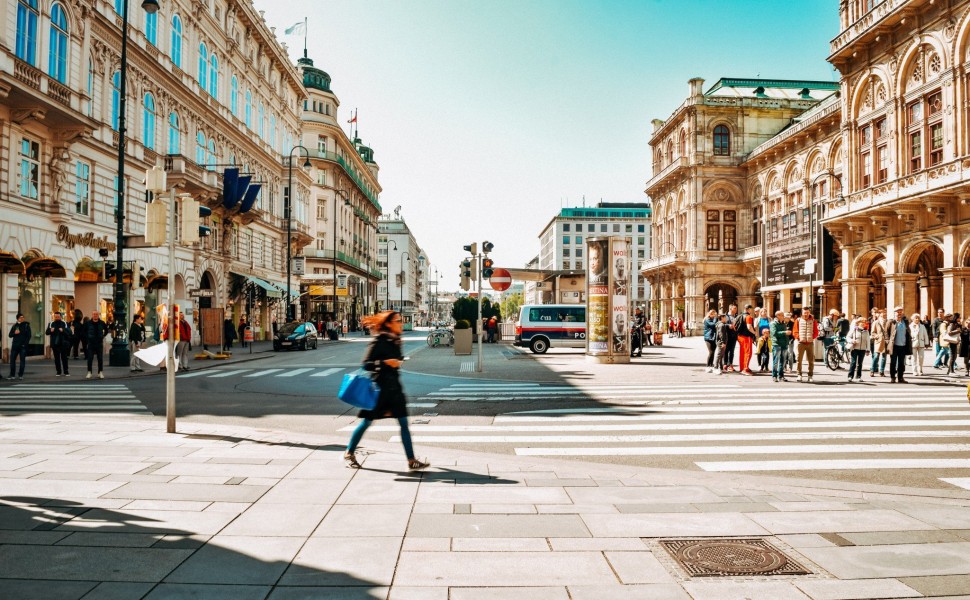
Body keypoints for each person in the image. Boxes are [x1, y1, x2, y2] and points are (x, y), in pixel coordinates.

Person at [344, 311, 429, 471]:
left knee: (404, 423)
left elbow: (398, 360)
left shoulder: (395, 341)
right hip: (379, 390)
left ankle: (411, 460)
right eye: (397, 321)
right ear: (389, 324)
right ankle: (349, 452)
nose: (401, 323)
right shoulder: (379, 341)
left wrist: (398, 362)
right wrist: (385, 363)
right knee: (366, 422)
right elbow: (366, 364)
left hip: (395, 390)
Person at [885, 306, 912, 383]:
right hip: (894, 346)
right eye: (897, 312)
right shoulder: (891, 322)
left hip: (903, 346)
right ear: (894, 313)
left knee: (901, 363)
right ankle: (893, 377)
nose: (899, 313)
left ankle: (900, 377)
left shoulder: (905, 322)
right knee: (893, 362)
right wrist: (887, 342)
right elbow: (886, 333)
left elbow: (907, 332)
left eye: (900, 312)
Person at [792, 308, 819, 383]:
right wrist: (798, 337)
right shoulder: (798, 320)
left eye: (807, 312)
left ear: (809, 313)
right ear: (802, 313)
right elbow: (794, 331)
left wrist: (812, 337)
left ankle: (810, 375)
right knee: (799, 360)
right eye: (804, 312)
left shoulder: (813, 321)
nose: (806, 314)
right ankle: (799, 374)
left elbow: (816, 331)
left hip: (810, 343)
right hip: (801, 343)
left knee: (811, 360)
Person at [81, 311, 108, 379]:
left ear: (98, 315)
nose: (95, 315)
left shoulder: (102, 323)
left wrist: (102, 336)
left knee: (100, 358)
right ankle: (89, 372)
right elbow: (83, 331)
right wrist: (88, 338)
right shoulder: (88, 323)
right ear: (92, 315)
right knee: (90, 358)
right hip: (91, 343)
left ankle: (100, 372)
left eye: (96, 314)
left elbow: (106, 330)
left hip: (99, 343)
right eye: (94, 314)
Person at [846, 317, 871, 383]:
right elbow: (848, 337)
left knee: (860, 363)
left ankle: (858, 376)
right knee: (853, 363)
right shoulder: (854, 329)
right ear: (858, 323)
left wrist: (868, 350)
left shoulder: (866, 331)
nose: (863, 323)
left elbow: (868, 341)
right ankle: (850, 376)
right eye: (862, 322)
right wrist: (852, 340)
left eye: (864, 322)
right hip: (854, 348)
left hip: (862, 349)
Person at [46, 311, 71, 377]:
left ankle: (66, 371)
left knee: (64, 358)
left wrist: (63, 330)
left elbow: (69, 333)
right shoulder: (51, 323)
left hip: (63, 343)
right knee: (56, 358)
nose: (57, 318)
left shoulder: (65, 323)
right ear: (54, 317)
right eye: (56, 317)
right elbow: (47, 332)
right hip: (55, 343)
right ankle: (58, 371)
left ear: (61, 317)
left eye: (58, 317)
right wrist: (50, 331)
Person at [8, 313, 32, 380]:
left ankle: (20, 375)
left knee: (22, 361)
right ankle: (12, 375)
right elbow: (10, 335)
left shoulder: (26, 325)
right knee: (12, 360)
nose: (22, 318)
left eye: (23, 317)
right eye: (21, 317)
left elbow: (29, 336)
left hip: (22, 346)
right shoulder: (14, 326)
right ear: (18, 318)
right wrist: (14, 333)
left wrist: (25, 344)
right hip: (15, 346)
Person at [769, 311, 790, 382]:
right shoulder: (773, 323)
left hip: (784, 343)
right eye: (782, 315)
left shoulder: (783, 323)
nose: (783, 316)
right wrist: (784, 332)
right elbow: (774, 333)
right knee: (776, 361)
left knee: (783, 360)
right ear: (777, 316)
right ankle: (774, 376)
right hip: (777, 344)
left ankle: (781, 376)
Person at [736, 304, 757, 375]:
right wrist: (754, 333)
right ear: (748, 309)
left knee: (742, 352)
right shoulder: (748, 317)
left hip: (740, 336)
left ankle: (742, 367)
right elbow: (749, 327)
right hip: (746, 336)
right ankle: (745, 368)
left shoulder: (739, 316)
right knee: (748, 353)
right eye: (751, 309)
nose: (752, 310)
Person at [870, 309, 888, 377]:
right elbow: (872, 333)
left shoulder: (888, 322)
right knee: (876, 356)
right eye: (883, 313)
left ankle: (881, 371)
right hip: (878, 341)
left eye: (885, 313)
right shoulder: (876, 322)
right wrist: (878, 336)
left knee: (884, 357)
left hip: (886, 342)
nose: (884, 314)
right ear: (880, 314)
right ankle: (872, 370)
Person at [723, 304, 739, 371]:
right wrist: (727, 325)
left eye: (736, 308)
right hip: (727, 335)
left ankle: (730, 364)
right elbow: (720, 324)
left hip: (734, 336)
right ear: (730, 308)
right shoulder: (725, 316)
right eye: (734, 308)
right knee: (726, 350)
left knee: (732, 351)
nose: (736, 309)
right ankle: (725, 364)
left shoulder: (737, 316)